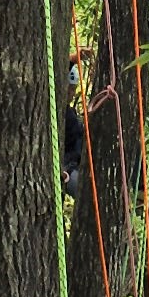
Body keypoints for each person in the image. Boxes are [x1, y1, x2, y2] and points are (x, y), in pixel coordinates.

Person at [63, 61, 84, 197]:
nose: (72, 93)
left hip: (76, 165)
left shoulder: (71, 114)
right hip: (67, 168)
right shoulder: (62, 114)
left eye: (74, 89)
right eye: (69, 88)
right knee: (85, 193)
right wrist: (71, 61)